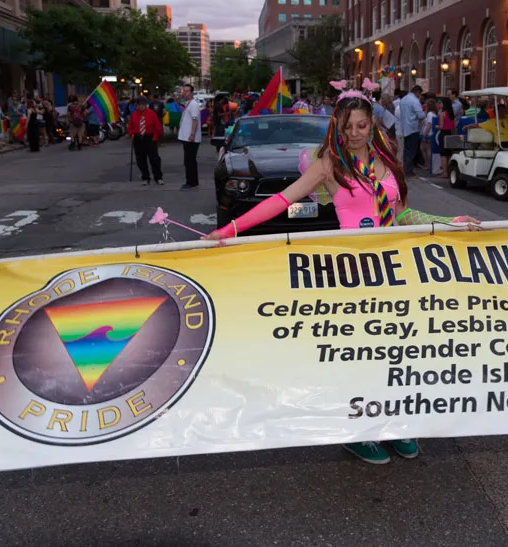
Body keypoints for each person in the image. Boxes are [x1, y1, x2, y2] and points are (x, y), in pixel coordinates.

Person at [206, 85, 480, 465]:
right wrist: (230, 229)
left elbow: (403, 215)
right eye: (347, 126)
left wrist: (450, 221)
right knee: (360, 358)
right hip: (352, 275)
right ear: (337, 125)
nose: (354, 133)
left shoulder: (389, 163)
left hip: (393, 271)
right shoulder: (328, 166)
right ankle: (358, 432)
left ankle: (392, 423)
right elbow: (281, 201)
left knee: (395, 354)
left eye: (361, 125)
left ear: (373, 126)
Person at [129, 96, 164, 185]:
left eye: (143, 104)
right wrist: (131, 134)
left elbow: (158, 127)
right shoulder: (134, 115)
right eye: (139, 105)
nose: (141, 106)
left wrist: (155, 137)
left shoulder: (152, 114)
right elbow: (130, 127)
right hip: (138, 139)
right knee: (141, 159)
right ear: (137, 105)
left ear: (146, 105)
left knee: (154, 159)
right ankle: (145, 177)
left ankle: (158, 177)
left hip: (150, 138)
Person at [398, 85, 425, 177]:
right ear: (417, 92)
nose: (419, 96)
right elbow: (420, 115)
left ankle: (405, 169)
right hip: (413, 128)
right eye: (419, 94)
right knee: (412, 151)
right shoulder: (415, 100)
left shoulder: (403, 100)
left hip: (404, 128)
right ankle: (408, 171)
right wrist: (424, 114)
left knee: (407, 150)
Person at [179, 85, 202, 190]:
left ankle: (190, 183)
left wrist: (192, 134)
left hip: (191, 138)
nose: (185, 93)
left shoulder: (193, 104)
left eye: (187, 91)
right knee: (189, 160)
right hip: (186, 138)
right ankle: (194, 182)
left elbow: (194, 120)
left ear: (192, 92)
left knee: (189, 161)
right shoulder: (188, 104)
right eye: (184, 91)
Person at [436, 97, 456, 178]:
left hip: (443, 134)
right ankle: (449, 172)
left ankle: (444, 173)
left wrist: (436, 126)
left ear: (444, 104)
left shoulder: (442, 114)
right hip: (450, 134)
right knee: (449, 154)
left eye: (441, 103)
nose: (440, 104)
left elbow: (441, 126)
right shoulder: (451, 114)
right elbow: (454, 127)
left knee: (443, 154)